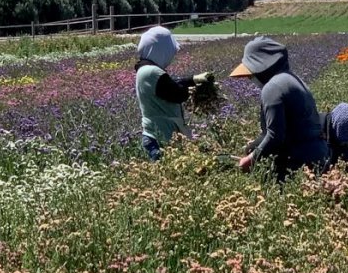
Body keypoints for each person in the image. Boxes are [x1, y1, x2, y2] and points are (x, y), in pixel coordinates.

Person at [230, 36, 328, 180]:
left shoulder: (272, 87)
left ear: (260, 67)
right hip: (317, 155)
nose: (251, 79)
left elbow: (275, 136)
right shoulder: (292, 79)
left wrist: (252, 158)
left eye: (251, 75)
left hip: (298, 162)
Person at [134, 26, 212, 161]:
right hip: (160, 137)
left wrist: (192, 79)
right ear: (161, 50)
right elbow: (177, 94)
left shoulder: (146, 70)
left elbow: (171, 85)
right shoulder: (152, 72)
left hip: (157, 135)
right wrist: (197, 88)